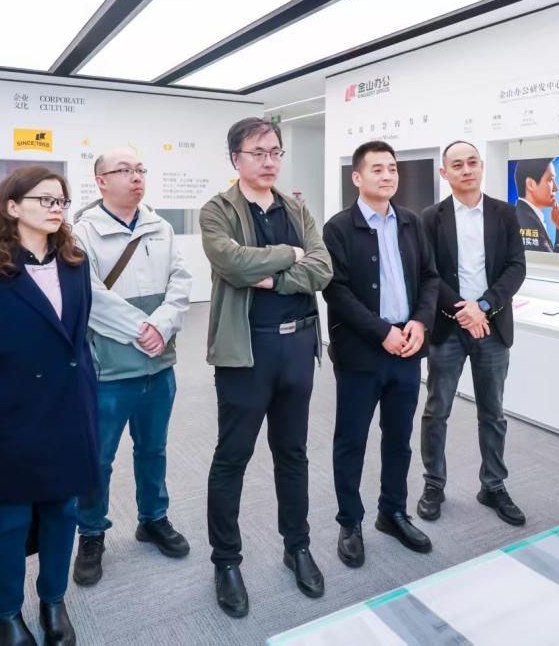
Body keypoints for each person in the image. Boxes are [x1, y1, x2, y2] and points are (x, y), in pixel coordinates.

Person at [0, 166, 98, 646]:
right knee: (9, 517)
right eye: (45, 200)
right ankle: (5, 612)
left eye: (61, 201)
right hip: (11, 414)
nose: (56, 209)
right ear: (12, 207)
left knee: (62, 510)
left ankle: (53, 599)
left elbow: (78, 338)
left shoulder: (74, 262)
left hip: (70, 408)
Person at [199, 117, 333, 618]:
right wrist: (289, 254)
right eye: (258, 152)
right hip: (246, 351)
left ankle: (297, 545)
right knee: (232, 456)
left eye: (275, 151)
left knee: (292, 452)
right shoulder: (217, 210)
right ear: (236, 158)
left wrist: (275, 278)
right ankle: (226, 561)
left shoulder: (296, 207)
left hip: (297, 347)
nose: (269, 160)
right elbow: (233, 264)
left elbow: (322, 268)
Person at [70, 148, 192, 586]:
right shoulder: (81, 232)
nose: (135, 177)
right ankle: (91, 532)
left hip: (159, 364)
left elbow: (181, 281)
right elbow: (90, 295)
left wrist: (162, 325)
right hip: (110, 368)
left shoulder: (160, 226)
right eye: (124, 170)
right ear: (101, 181)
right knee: (99, 457)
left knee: (153, 448)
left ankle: (153, 518)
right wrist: (142, 329)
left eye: (140, 169)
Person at [322, 141, 439, 568]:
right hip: (361, 355)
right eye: (377, 169)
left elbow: (430, 277)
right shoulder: (338, 228)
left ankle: (393, 512)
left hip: (407, 349)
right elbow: (335, 291)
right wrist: (381, 332)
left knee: (399, 439)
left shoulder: (411, 222)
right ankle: (350, 522)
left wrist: (420, 322)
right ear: (357, 177)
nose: (387, 175)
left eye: (392, 168)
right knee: (351, 440)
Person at [418, 140, 528, 526]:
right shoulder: (429, 218)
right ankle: (434, 484)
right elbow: (428, 273)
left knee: (493, 412)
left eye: (472, 163)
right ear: (444, 172)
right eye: (457, 165)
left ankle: (493, 485)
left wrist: (482, 306)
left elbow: (516, 268)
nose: (466, 170)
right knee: (437, 411)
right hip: (447, 327)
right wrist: (463, 311)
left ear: (481, 166)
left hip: (492, 326)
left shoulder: (505, 213)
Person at [513, 158, 559, 253]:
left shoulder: (524, 216)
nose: (556, 188)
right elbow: (549, 262)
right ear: (530, 184)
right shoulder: (528, 223)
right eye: (550, 180)